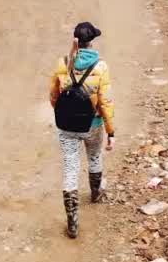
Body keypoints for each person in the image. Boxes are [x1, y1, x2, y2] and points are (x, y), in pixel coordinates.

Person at [47, 22, 116, 239]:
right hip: (92, 125)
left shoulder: (63, 62)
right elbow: (105, 102)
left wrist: (66, 114)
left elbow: (54, 96)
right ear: (91, 41)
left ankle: (73, 222)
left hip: (67, 126)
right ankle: (96, 193)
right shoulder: (101, 66)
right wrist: (110, 131)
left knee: (70, 168)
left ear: (75, 40)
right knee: (94, 156)